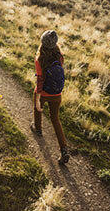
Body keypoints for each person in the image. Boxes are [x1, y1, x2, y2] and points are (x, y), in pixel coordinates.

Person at [30, 30, 70, 164]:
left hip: (44, 93)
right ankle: (64, 149)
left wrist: (38, 97)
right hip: (57, 93)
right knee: (55, 119)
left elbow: (40, 79)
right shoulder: (60, 56)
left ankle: (38, 128)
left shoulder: (39, 58)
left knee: (38, 108)